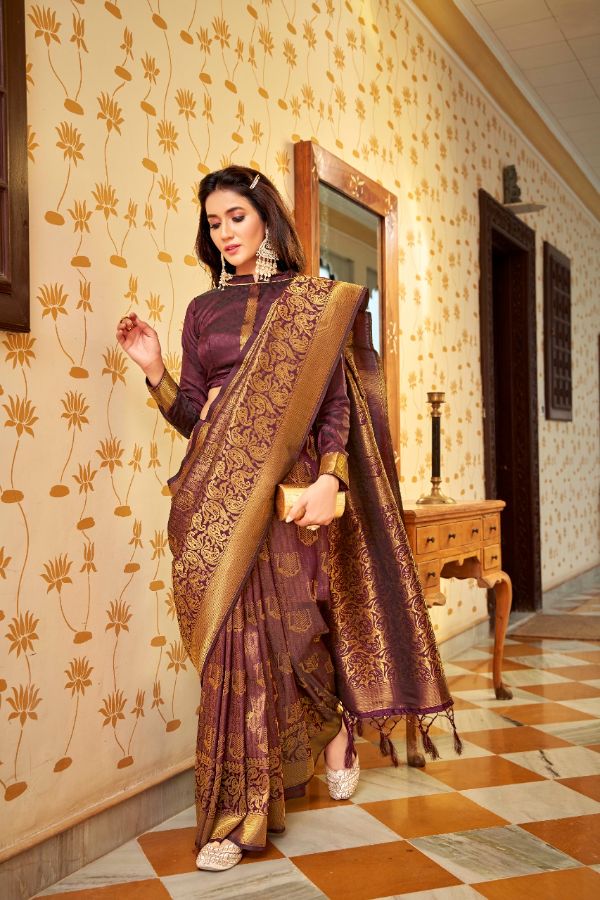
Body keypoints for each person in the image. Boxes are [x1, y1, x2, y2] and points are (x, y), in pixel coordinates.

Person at [117, 165, 460, 872]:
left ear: (267, 218)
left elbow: (335, 407)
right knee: (231, 647)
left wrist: (332, 479)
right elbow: (197, 418)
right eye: (214, 222)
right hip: (216, 492)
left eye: (236, 217)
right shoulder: (202, 311)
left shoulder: (311, 303)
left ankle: (332, 728)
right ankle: (237, 813)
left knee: (297, 633)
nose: (225, 232)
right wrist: (155, 371)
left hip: (291, 490)